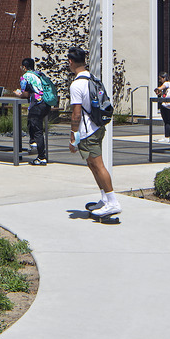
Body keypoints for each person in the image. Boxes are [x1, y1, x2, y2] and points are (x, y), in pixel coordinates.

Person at [68, 47, 120, 220]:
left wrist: (73, 136)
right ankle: (105, 199)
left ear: (71, 62)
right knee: (92, 164)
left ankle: (113, 203)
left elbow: (76, 114)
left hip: (87, 131)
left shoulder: (76, 84)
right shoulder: (92, 78)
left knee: (97, 165)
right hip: (98, 127)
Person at [14, 58, 52, 165]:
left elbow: (25, 94)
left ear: (24, 67)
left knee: (37, 130)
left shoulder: (25, 77)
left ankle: (41, 156)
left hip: (37, 104)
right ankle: (33, 142)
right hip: (46, 103)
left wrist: (18, 94)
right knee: (33, 123)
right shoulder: (39, 74)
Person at [156, 74, 170, 142]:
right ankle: (169, 137)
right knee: (169, 121)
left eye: (160, 79)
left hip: (165, 105)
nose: (160, 80)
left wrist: (158, 89)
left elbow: (162, 87)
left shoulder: (166, 83)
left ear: (164, 78)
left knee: (166, 121)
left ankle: (167, 137)